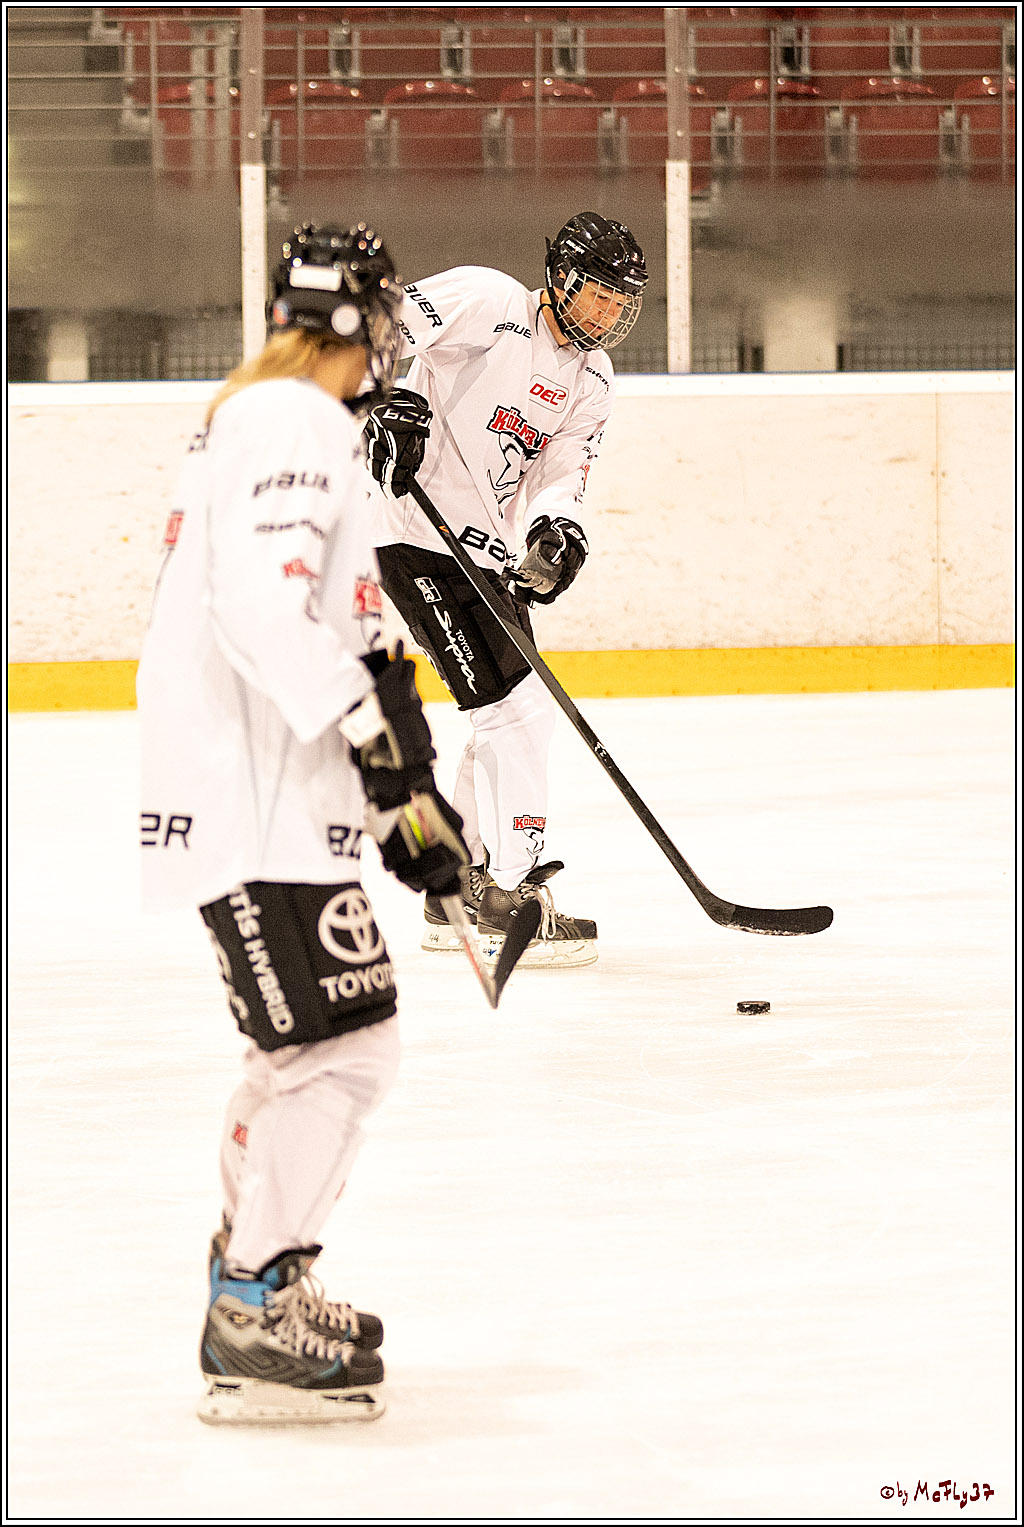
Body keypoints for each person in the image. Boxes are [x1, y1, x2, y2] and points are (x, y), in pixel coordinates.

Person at [136, 223, 469, 1426]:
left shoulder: (258, 416)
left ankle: (262, 1272)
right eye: (379, 315)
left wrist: (396, 749)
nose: (387, 337)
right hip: (259, 800)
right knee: (346, 1048)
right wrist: (379, 758)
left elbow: (330, 613)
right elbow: (264, 613)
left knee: (297, 1057)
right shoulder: (292, 422)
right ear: (344, 321)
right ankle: (252, 1300)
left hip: (260, 793)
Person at [364, 212, 648, 969]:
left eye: (620, 306)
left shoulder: (592, 378)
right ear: (559, 276)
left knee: (508, 715)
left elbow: (564, 472)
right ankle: (509, 894)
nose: (606, 317)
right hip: (412, 534)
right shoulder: (490, 301)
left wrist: (557, 533)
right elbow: (384, 326)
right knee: (515, 712)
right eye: (596, 297)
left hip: (482, 550)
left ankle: (457, 886)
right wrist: (391, 401)